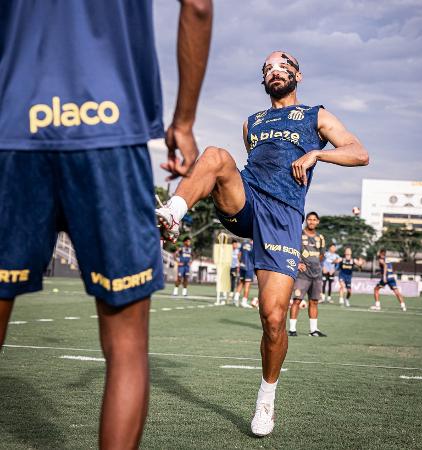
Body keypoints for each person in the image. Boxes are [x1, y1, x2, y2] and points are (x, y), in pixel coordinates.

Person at [0, 1, 213, 449]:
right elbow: (197, 5)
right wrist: (184, 121)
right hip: (111, 131)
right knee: (126, 346)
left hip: (13, 127)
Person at [156, 50, 369, 436]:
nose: (275, 71)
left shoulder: (315, 115)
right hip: (248, 201)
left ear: (298, 75)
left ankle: (266, 400)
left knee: (273, 320)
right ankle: (172, 213)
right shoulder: (251, 123)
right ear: (263, 80)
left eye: (283, 66)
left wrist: (317, 152)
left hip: (284, 218)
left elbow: (359, 152)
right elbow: (246, 167)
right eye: (267, 68)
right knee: (218, 156)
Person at [289, 212, 326, 337]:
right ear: (306, 221)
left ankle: (313, 330)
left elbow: (321, 255)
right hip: (302, 274)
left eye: (314, 219)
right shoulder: (299, 235)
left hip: (317, 274)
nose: (311, 221)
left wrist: (314, 263)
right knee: (297, 300)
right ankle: (292, 329)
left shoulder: (320, 237)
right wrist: (300, 262)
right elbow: (293, 250)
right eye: (309, 219)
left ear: (318, 222)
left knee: (314, 301)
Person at [233, 239, 254, 308]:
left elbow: (239, 254)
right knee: (247, 285)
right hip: (249, 267)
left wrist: (240, 263)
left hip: (242, 266)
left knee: (241, 282)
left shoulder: (244, 243)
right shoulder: (255, 245)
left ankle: (236, 298)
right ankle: (244, 302)